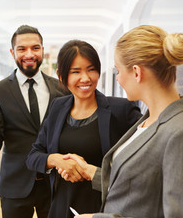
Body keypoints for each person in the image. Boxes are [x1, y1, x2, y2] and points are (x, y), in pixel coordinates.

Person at [63, 25, 183, 218]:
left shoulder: (181, 132)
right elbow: (139, 188)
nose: (119, 79)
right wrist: (90, 171)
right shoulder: (148, 120)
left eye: (118, 71)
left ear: (137, 73)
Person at [26, 40, 142, 218]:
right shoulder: (58, 107)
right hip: (60, 208)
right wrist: (56, 160)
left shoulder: (122, 110)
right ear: (61, 75)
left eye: (91, 69)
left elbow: (140, 168)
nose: (86, 78)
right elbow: (33, 156)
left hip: (101, 210)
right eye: (76, 72)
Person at [0, 25, 69, 218]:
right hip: (15, 186)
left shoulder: (61, 89)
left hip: (55, 184)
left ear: (42, 50)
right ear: (13, 52)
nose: (29, 54)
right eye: (22, 49)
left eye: (35, 48)